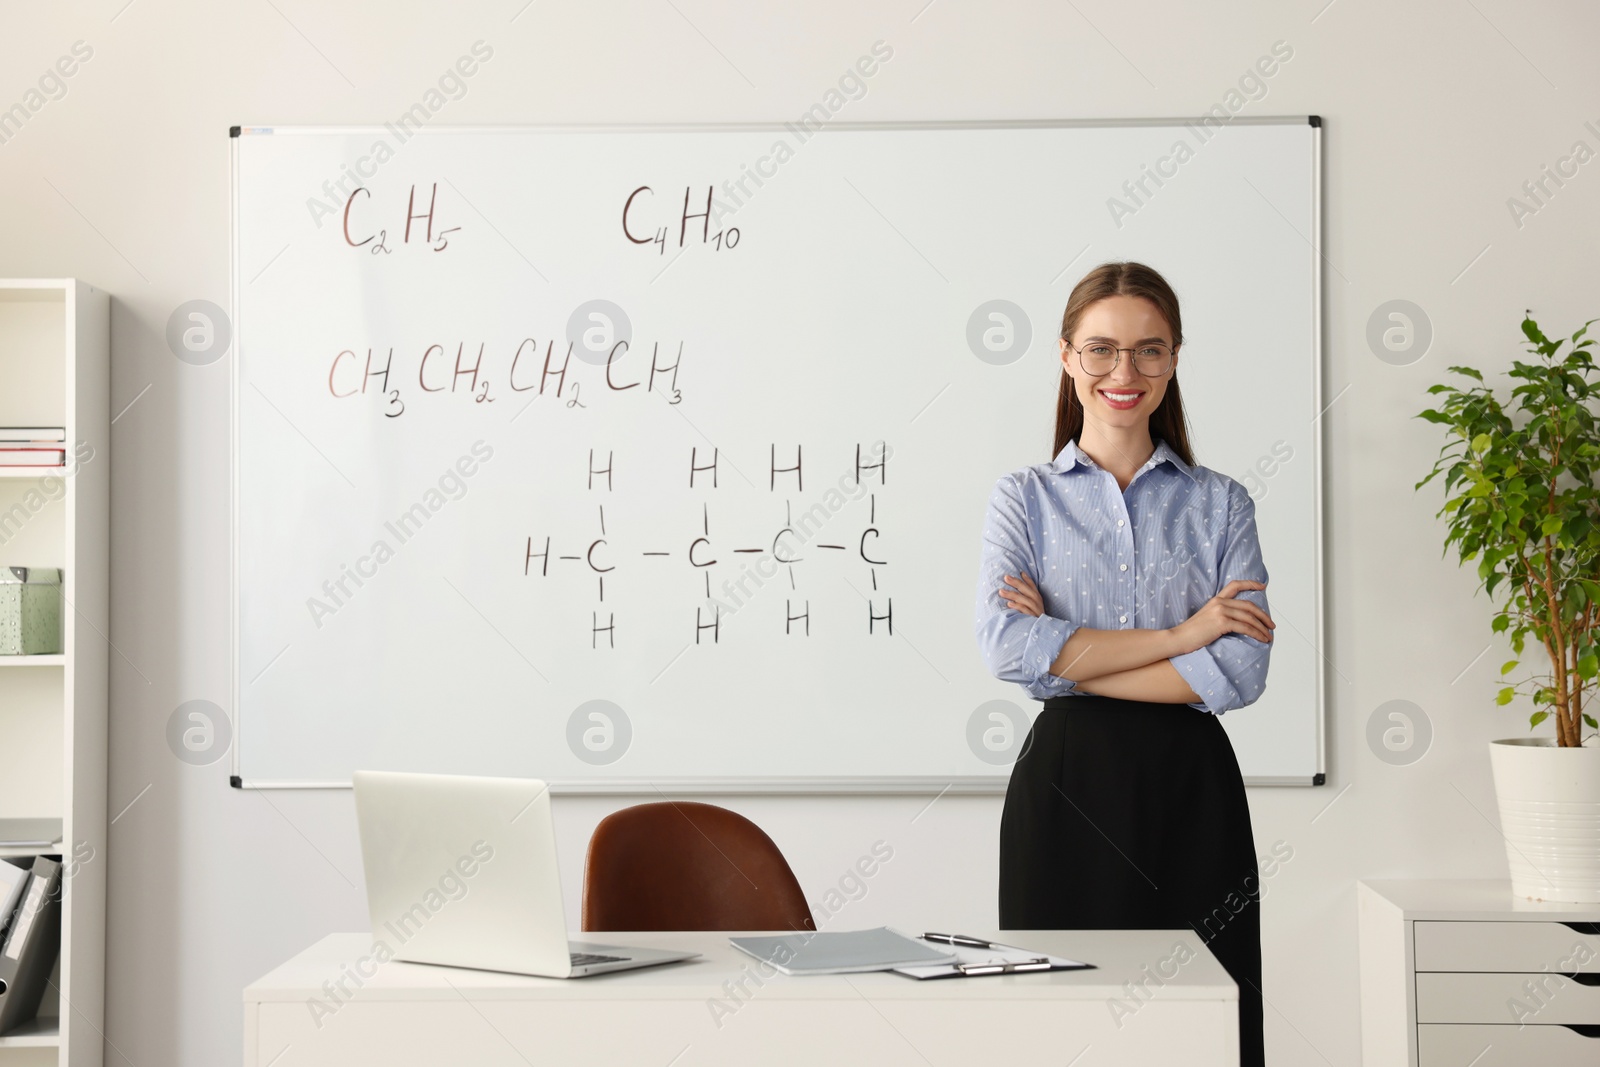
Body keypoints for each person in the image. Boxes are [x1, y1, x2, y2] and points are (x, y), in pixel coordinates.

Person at [974, 261, 1273, 1067]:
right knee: (1062, 1027)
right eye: (1101, 350)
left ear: (1174, 359)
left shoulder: (1222, 503)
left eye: (1149, 350)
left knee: (1205, 1024)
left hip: (1192, 789)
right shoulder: (1024, 497)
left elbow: (1241, 670)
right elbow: (1008, 646)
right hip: (1066, 787)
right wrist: (1183, 636)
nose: (1123, 372)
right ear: (1068, 356)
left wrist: (1066, 652)